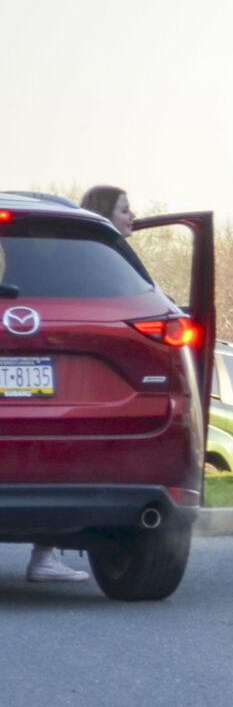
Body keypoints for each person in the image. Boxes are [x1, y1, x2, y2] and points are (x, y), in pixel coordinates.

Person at [24, 185, 135, 584]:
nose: (132, 217)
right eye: (125, 208)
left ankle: (46, 556)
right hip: (74, 408)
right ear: (107, 212)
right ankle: (46, 556)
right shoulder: (105, 263)